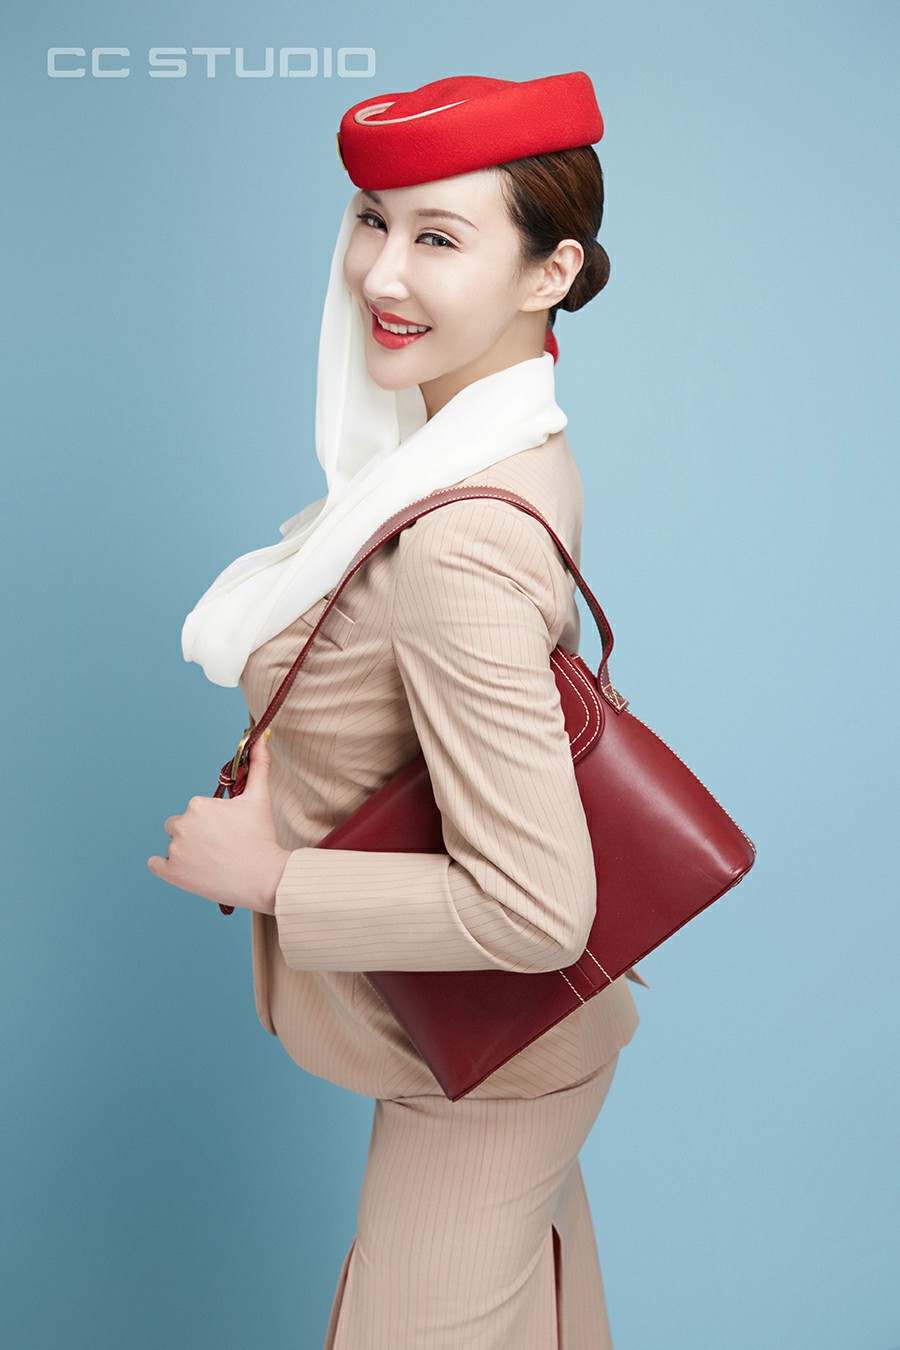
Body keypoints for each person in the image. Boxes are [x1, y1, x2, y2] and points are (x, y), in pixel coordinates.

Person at [148, 70, 648, 1350]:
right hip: (496, 1047)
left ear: (550, 272)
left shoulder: (459, 536)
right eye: (372, 220)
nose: (380, 271)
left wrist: (268, 876)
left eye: (438, 237)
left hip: (488, 1071)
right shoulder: (488, 445)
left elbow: (537, 909)